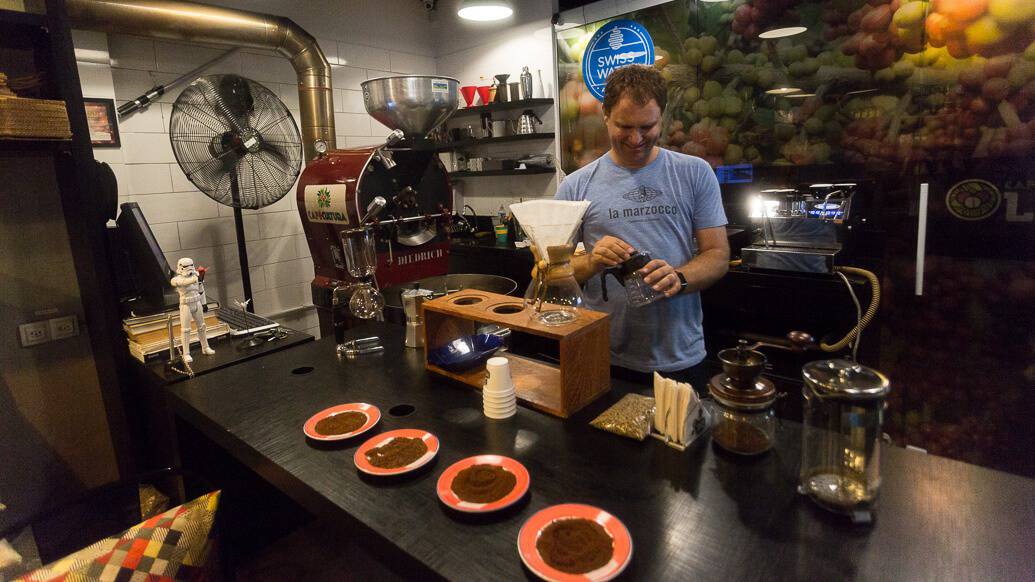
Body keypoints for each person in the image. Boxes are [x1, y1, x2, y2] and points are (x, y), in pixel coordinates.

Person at [555, 64, 729, 389]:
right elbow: (550, 273)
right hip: (602, 356)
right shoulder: (575, 186)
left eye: (647, 127)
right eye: (624, 126)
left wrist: (679, 277)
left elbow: (718, 254)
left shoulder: (695, 173)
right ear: (605, 115)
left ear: (662, 116)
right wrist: (592, 261)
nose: (636, 139)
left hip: (681, 357)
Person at [170, 257, 215, 363]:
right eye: (186, 266)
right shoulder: (177, 279)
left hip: (197, 302)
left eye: (191, 265)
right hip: (186, 305)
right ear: (180, 267)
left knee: (202, 326)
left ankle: (205, 347)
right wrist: (195, 278)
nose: (189, 268)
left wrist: (204, 304)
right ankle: (186, 353)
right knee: (186, 330)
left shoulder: (196, 276)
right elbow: (182, 282)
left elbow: (201, 290)